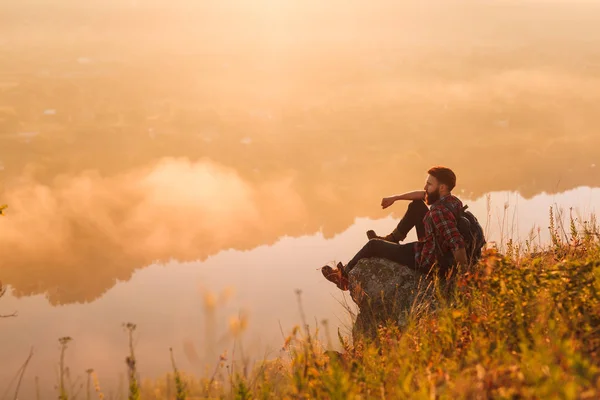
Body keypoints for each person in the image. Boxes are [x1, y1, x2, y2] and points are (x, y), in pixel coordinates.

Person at [321, 166, 468, 290]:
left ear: (441, 187)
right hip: (436, 246)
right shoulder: (453, 201)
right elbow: (421, 195)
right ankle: (392, 239)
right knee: (416, 205)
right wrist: (395, 198)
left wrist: (463, 279)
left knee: (374, 245)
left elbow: (457, 243)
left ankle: (344, 277)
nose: (425, 187)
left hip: (427, 261)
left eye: (429, 184)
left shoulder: (438, 212)